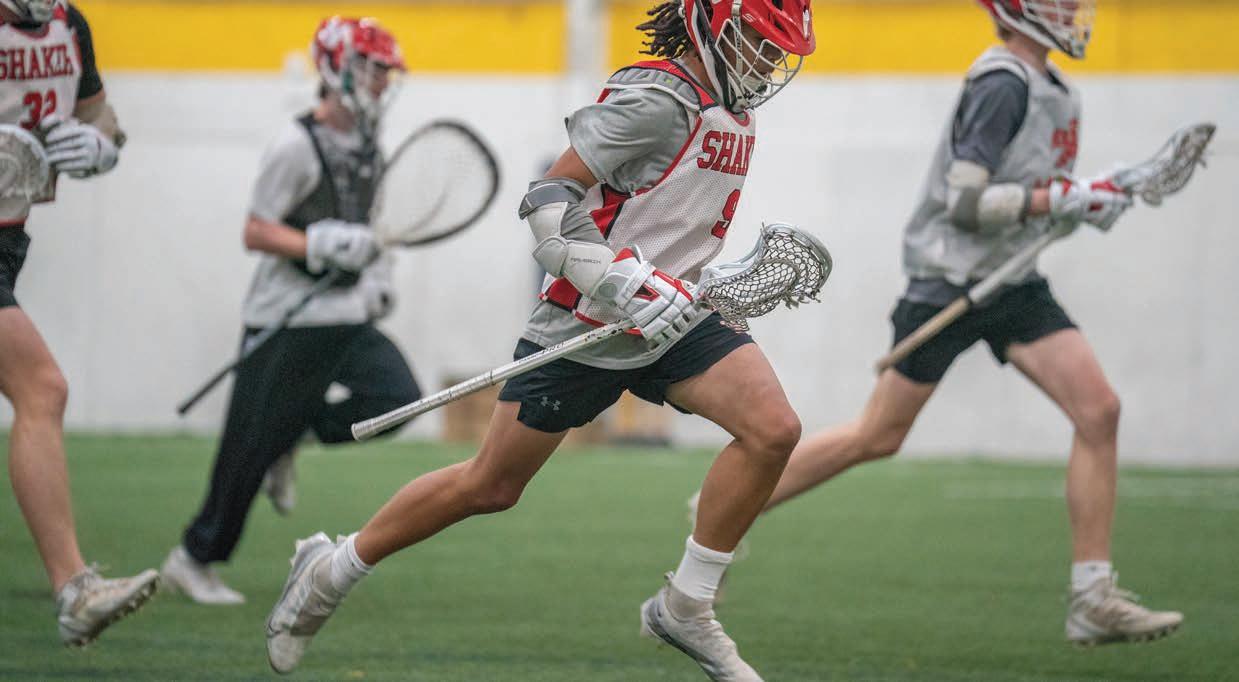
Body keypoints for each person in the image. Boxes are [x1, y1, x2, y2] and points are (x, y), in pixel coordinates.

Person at [263, 0, 815, 678]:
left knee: (773, 430)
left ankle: (687, 606)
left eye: (776, 48)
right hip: (591, 320)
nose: (767, 59)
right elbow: (549, 196)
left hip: (675, 318)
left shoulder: (734, 110)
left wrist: (693, 283)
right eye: (757, 40)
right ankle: (331, 570)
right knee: (490, 485)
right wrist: (617, 281)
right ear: (709, 24)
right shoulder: (656, 99)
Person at [738, 0, 1182, 647]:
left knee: (1098, 411)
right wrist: (1064, 200)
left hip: (1010, 282)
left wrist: (1088, 198)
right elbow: (965, 201)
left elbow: (1031, 194)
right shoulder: (1002, 82)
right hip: (950, 282)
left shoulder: (1056, 88)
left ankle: (1092, 599)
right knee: (877, 435)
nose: (1071, 10)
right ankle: (727, 505)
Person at [160, 16, 421, 605]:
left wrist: (378, 277)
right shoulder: (295, 145)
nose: (382, 81)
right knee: (246, 447)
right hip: (287, 316)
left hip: (345, 313)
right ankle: (193, 558)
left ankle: (295, 433)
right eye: (372, 68)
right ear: (335, 68)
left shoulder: (371, 147)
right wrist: (318, 243)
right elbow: (256, 231)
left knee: (399, 396)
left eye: (386, 71)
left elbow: (373, 227)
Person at [0, 0, 159, 646]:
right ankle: (74, 591)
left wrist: (104, 147)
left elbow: (100, 120)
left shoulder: (69, 24)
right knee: (43, 389)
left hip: (8, 243)